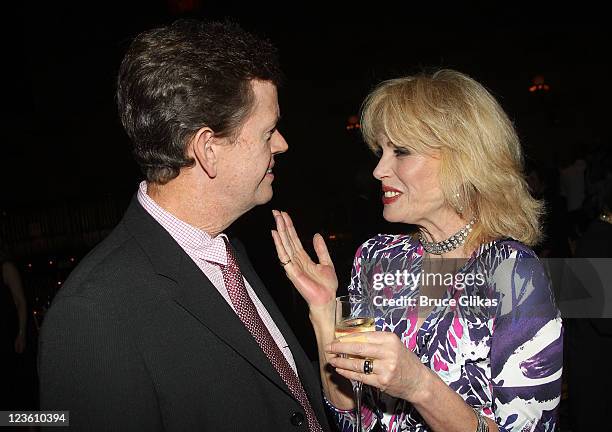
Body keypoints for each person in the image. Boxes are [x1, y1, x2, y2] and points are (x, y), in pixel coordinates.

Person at [39, 20, 330, 431]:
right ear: (207, 149)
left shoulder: (227, 252)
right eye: (268, 132)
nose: (281, 144)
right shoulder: (95, 313)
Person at [272, 70, 563, 431]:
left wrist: (420, 385)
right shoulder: (376, 259)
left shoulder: (513, 272)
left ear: (464, 159)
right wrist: (323, 311)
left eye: (402, 151)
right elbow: (352, 415)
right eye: (381, 152)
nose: (379, 169)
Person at [1, 242, 27, 409]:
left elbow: (20, 302)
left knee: (20, 385)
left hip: (8, 332)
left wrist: (21, 333)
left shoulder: (6, 267)